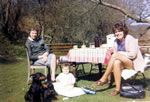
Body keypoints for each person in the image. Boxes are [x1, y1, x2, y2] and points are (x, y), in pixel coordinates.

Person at [93, 22, 145, 96]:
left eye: (119, 31)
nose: (117, 34)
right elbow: (117, 56)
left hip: (133, 64)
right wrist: (118, 55)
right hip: (123, 63)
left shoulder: (129, 38)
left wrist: (120, 54)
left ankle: (104, 78)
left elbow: (132, 55)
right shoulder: (115, 42)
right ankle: (117, 89)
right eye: (115, 32)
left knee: (115, 56)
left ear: (124, 31)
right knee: (116, 62)